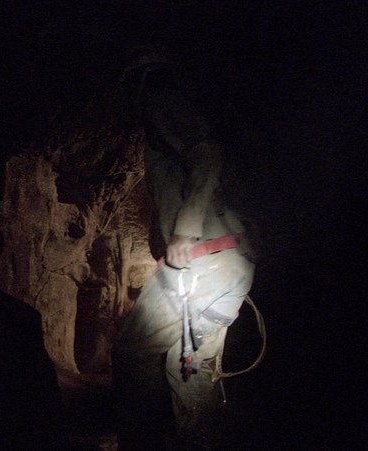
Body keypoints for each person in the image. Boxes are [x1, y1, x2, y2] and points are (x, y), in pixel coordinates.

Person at [113, 51, 256, 450]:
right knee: (189, 367)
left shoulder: (163, 103)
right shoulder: (201, 110)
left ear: (140, 82)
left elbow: (208, 153)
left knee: (131, 351)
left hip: (202, 262)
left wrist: (184, 233)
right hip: (231, 263)